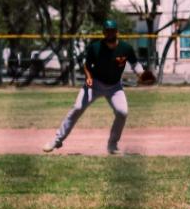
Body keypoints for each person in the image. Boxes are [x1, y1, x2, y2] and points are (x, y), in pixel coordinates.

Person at [43, 20, 147, 155]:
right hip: (95, 84)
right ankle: (57, 140)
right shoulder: (95, 47)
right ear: (103, 32)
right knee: (77, 108)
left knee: (122, 112)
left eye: (112, 30)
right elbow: (87, 65)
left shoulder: (125, 48)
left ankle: (112, 144)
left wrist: (142, 74)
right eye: (107, 30)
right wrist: (89, 77)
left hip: (115, 86)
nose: (110, 33)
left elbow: (135, 64)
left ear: (117, 32)